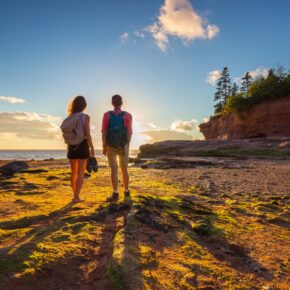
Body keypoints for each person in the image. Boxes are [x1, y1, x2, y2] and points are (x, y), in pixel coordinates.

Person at [63, 96, 95, 202]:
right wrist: (92, 148)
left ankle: (74, 195)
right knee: (81, 172)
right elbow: (88, 133)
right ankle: (77, 196)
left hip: (71, 146)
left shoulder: (70, 117)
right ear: (84, 106)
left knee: (73, 172)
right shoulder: (85, 117)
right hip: (82, 145)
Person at [102, 94, 132, 201]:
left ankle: (115, 193)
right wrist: (127, 144)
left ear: (112, 103)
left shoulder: (107, 115)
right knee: (124, 169)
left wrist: (104, 146)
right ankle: (127, 192)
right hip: (123, 145)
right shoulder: (127, 115)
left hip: (110, 145)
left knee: (113, 170)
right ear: (122, 103)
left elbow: (104, 131)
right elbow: (129, 132)